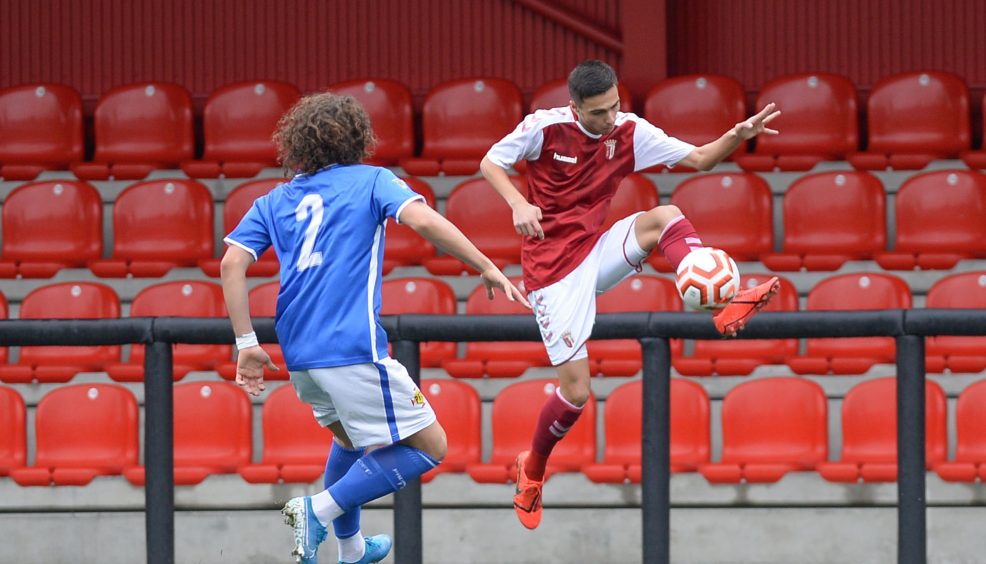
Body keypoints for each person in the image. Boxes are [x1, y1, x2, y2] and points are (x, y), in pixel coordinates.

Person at [221, 92, 529, 563]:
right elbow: (424, 220)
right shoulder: (372, 181)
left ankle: (352, 550)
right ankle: (316, 508)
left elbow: (231, 264)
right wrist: (485, 265)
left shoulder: (273, 200)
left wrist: (246, 343)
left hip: (299, 351)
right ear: (358, 139)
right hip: (351, 347)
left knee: (348, 439)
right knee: (431, 446)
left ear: (297, 144)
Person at [479, 59, 782, 530]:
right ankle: (533, 467)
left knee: (667, 215)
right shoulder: (544, 128)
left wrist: (738, 135)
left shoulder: (629, 131)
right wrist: (518, 202)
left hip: (594, 250)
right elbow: (490, 162)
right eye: (599, 112)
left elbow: (701, 159)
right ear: (575, 107)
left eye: (615, 107)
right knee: (577, 393)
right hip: (552, 273)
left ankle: (724, 304)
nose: (609, 119)